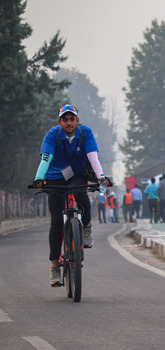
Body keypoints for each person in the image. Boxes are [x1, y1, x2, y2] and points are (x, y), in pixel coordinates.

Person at [32, 104, 110, 286]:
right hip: (54, 176)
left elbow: (92, 156)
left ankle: (87, 226)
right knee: (56, 221)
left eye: (72, 119)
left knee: (80, 193)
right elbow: (45, 158)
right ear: (59, 121)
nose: (68, 123)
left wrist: (101, 177)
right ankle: (54, 267)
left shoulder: (85, 133)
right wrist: (39, 177)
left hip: (76, 173)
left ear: (77, 121)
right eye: (65, 120)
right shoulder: (52, 135)